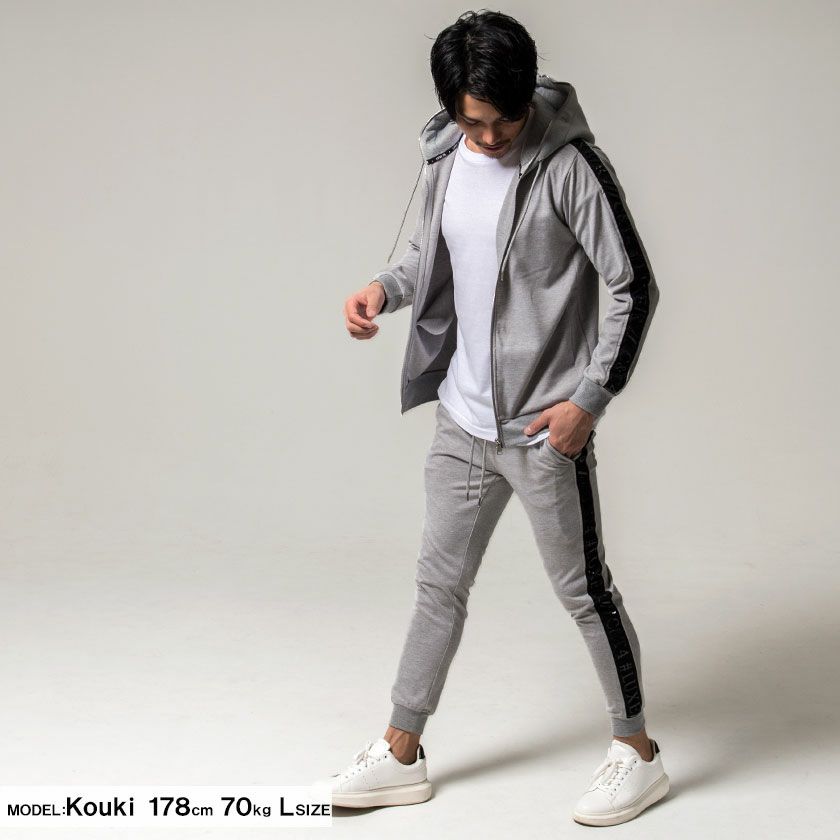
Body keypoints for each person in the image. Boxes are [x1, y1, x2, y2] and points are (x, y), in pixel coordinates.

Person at [316, 10, 668, 827]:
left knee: (584, 592)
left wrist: (587, 400)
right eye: (474, 121)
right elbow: (430, 251)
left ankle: (639, 752)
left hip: (543, 431)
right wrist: (384, 289)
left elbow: (633, 285)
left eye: (503, 120)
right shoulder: (447, 150)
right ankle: (402, 751)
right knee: (438, 587)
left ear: (524, 96)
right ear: (451, 108)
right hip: (463, 421)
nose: (491, 136)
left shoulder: (570, 166)